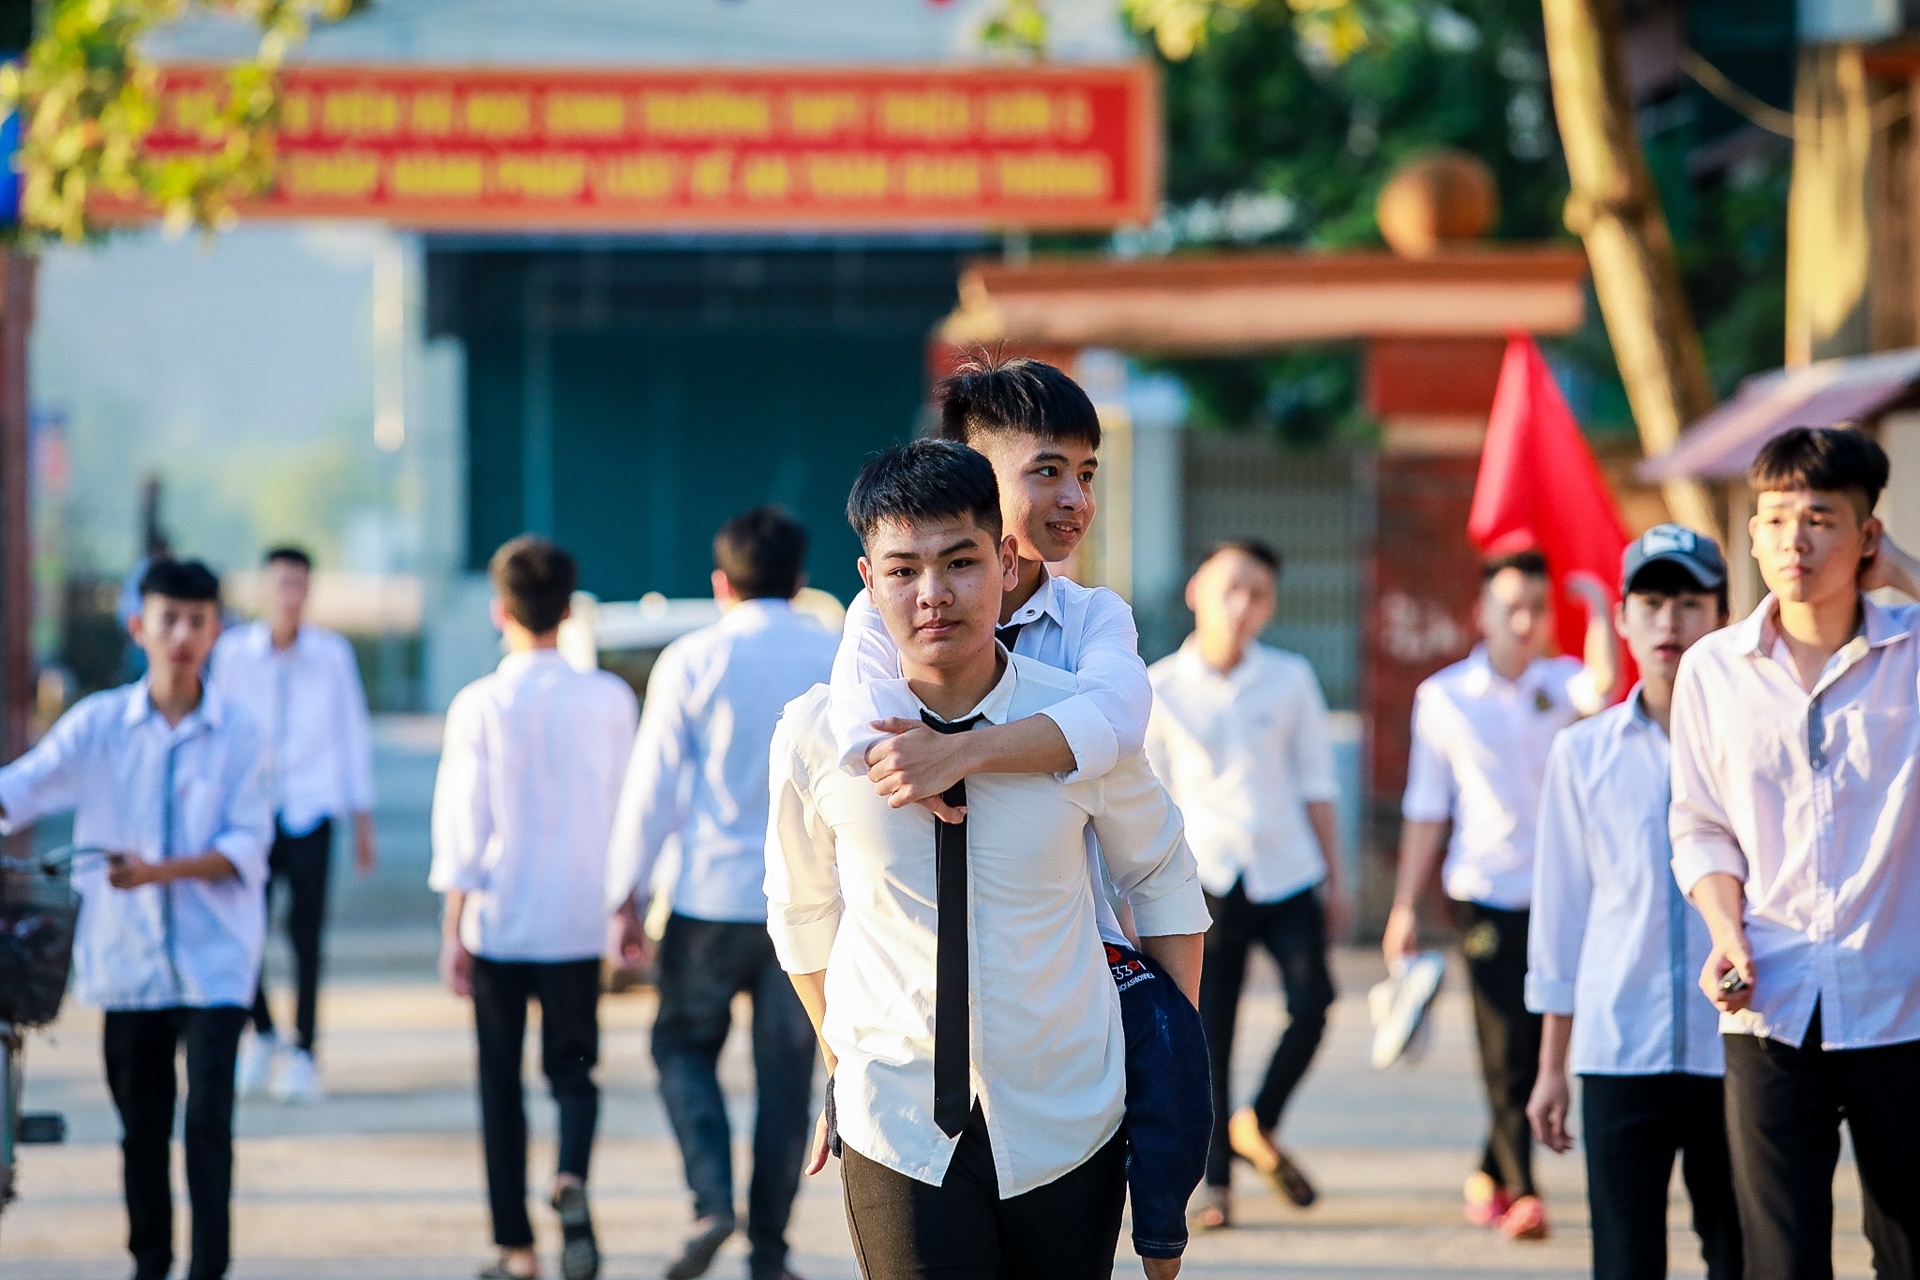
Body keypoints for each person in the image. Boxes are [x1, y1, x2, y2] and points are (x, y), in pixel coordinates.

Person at [767, 440, 1211, 1280]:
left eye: (960, 562)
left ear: (1006, 563)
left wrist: (1166, 1067)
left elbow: (1162, 878)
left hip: (1069, 1113)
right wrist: (844, 1059)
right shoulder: (818, 735)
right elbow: (800, 910)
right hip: (895, 1123)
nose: (933, 594)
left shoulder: (1080, 724)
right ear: (868, 584)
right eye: (903, 571)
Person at [1669, 427, 1920, 1280]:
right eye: (1774, 519)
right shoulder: (1713, 670)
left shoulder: (1913, 653)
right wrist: (1723, 929)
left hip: (1904, 1002)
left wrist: (1910, 579)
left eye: (1820, 518)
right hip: (1769, 1004)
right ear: (1749, 533)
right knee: (1778, 1261)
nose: (1794, 541)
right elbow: (1699, 822)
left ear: (1869, 537)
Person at [0, 558, 272, 1280]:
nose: (182, 634)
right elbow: (18, 791)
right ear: (139, 627)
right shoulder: (97, 727)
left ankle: (209, 1268)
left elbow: (247, 845)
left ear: (217, 630)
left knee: (209, 1122)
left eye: (198, 620)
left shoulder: (241, 733)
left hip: (217, 962)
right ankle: (151, 1264)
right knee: (142, 1129)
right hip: (129, 967)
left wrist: (157, 871)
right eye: (169, 619)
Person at [604, 507, 839, 1280]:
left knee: (680, 1047)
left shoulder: (691, 658)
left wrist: (626, 897)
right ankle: (769, 1253)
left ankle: (710, 1202)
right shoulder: (835, 653)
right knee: (787, 1080)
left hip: (707, 901)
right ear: (801, 580)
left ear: (720, 583)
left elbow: (652, 789)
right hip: (806, 911)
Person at [1384, 547, 1618, 1241]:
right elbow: (1427, 807)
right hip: (1482, 895)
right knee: (1502, 1047)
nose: (1524, 619)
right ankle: (1523, 1190)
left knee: (1543, 1040)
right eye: (1510, 605)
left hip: (1562, 898)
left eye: (1538, 608)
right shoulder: (1445, 697)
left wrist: (1601, 608)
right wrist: (1403, 906)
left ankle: (1489, 1170)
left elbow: (1604, 686)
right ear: (1479, 612)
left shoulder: (1563, 681)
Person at [1525, 524, 1739, 1280]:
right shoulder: (1582, 755)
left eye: (1689, 602)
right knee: (1624, 1259)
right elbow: (1562, 917)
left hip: (1738, 1046)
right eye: (1650, 602)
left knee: (1742, 1252)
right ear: (1620, 618)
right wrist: (1552, 1066)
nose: (1669, 622)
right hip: (1619, 1045)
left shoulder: (1751, 746)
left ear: (1724, 614)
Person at [430, 536, 639, 1280]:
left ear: (500, 611)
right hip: (578, 922)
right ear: (569, 608)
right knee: (575, 1073)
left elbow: (464, 823)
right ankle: (570, 1175)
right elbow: (628, 811)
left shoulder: (480, 703)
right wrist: (628, 906)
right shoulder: (610, 699)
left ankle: (516, 1250)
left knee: (499, 1084)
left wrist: (453, 926)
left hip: (499, 921)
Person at [1144, 539, 1346, 1230]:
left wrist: (1336, 879)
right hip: (1205, 879)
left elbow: (1318, 784)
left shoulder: (1290, 679)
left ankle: (1256, 1121)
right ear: (1197, 587)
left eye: (1258, 592)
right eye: (1231, 586)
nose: (1242, 604)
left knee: (1315, 1001)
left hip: (1287, 869)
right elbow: (1151, 800)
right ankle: (1215, 1186)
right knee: (1208, 1031)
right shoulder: (1160, 686)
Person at [211, 546, 377, 1103]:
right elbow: (218, 735)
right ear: (264, 588)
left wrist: (362, 818)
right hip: (251, 811)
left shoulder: (331, 654)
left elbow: (351, 730)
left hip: (311, 806)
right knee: (243, 926)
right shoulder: (233, 654)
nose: (291, 596)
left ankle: (305, 1049)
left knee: (306, 935)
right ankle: (261, 1030)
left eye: (300, 585)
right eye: (282, 584)